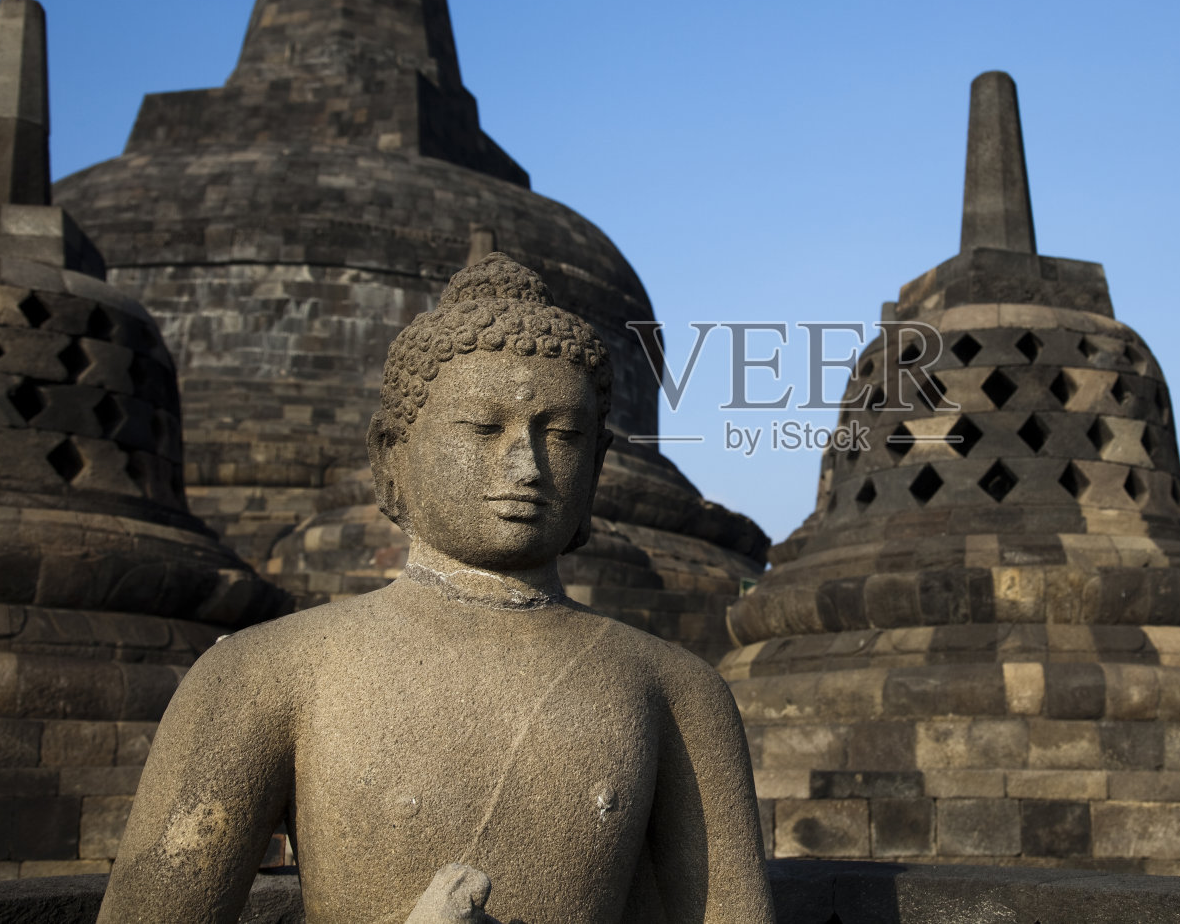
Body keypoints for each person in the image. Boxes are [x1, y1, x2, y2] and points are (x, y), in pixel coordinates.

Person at [98, 255, 776, 924]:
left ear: (597, 467)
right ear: (393, 454)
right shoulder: (265, 673)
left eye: (564, 434)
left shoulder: (678, 690)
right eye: (484, 428)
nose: (526, 464)